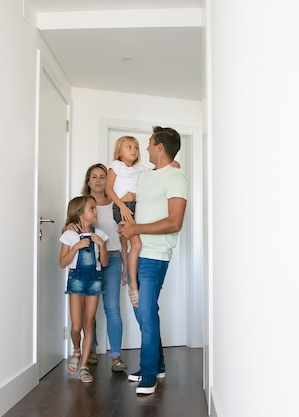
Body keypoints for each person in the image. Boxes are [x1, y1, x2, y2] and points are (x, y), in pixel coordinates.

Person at [118, 126, 188, 395]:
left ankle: (149, 374)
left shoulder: (177, 177)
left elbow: (175, 222)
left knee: (145, 312)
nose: (145, 148)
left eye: (149, 143)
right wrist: (129, 229)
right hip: (138, 251)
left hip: (155, 255)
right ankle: (157, 364)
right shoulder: (147, 176)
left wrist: (137, 230)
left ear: (160, 146)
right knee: (142, 312)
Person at [59, 195, 109, 383]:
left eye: (95, 208)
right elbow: (62, 263)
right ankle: (76, 351)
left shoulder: (100, 235)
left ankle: (84, 366)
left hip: (94, 281)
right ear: (80, 213)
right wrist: (76, 247)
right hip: (76, 280)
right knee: (76, 326)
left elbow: (103, 263)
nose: (96, 212)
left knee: (89, 324)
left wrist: (102, 245)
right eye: (92, 208)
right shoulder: (69, 235)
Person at [105, 136, 144, 309]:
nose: (134, 150)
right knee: (135, 243)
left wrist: (173, 164)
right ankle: (133, 285)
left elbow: (157, 172)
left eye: (136, 147)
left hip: (137, 207)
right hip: (123, 207)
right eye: (129, 147)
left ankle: (126, 274)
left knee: (125, 244)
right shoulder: (116, 166)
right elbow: (108, 188)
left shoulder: (139, 169)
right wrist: (121, 207)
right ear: (119, 151)